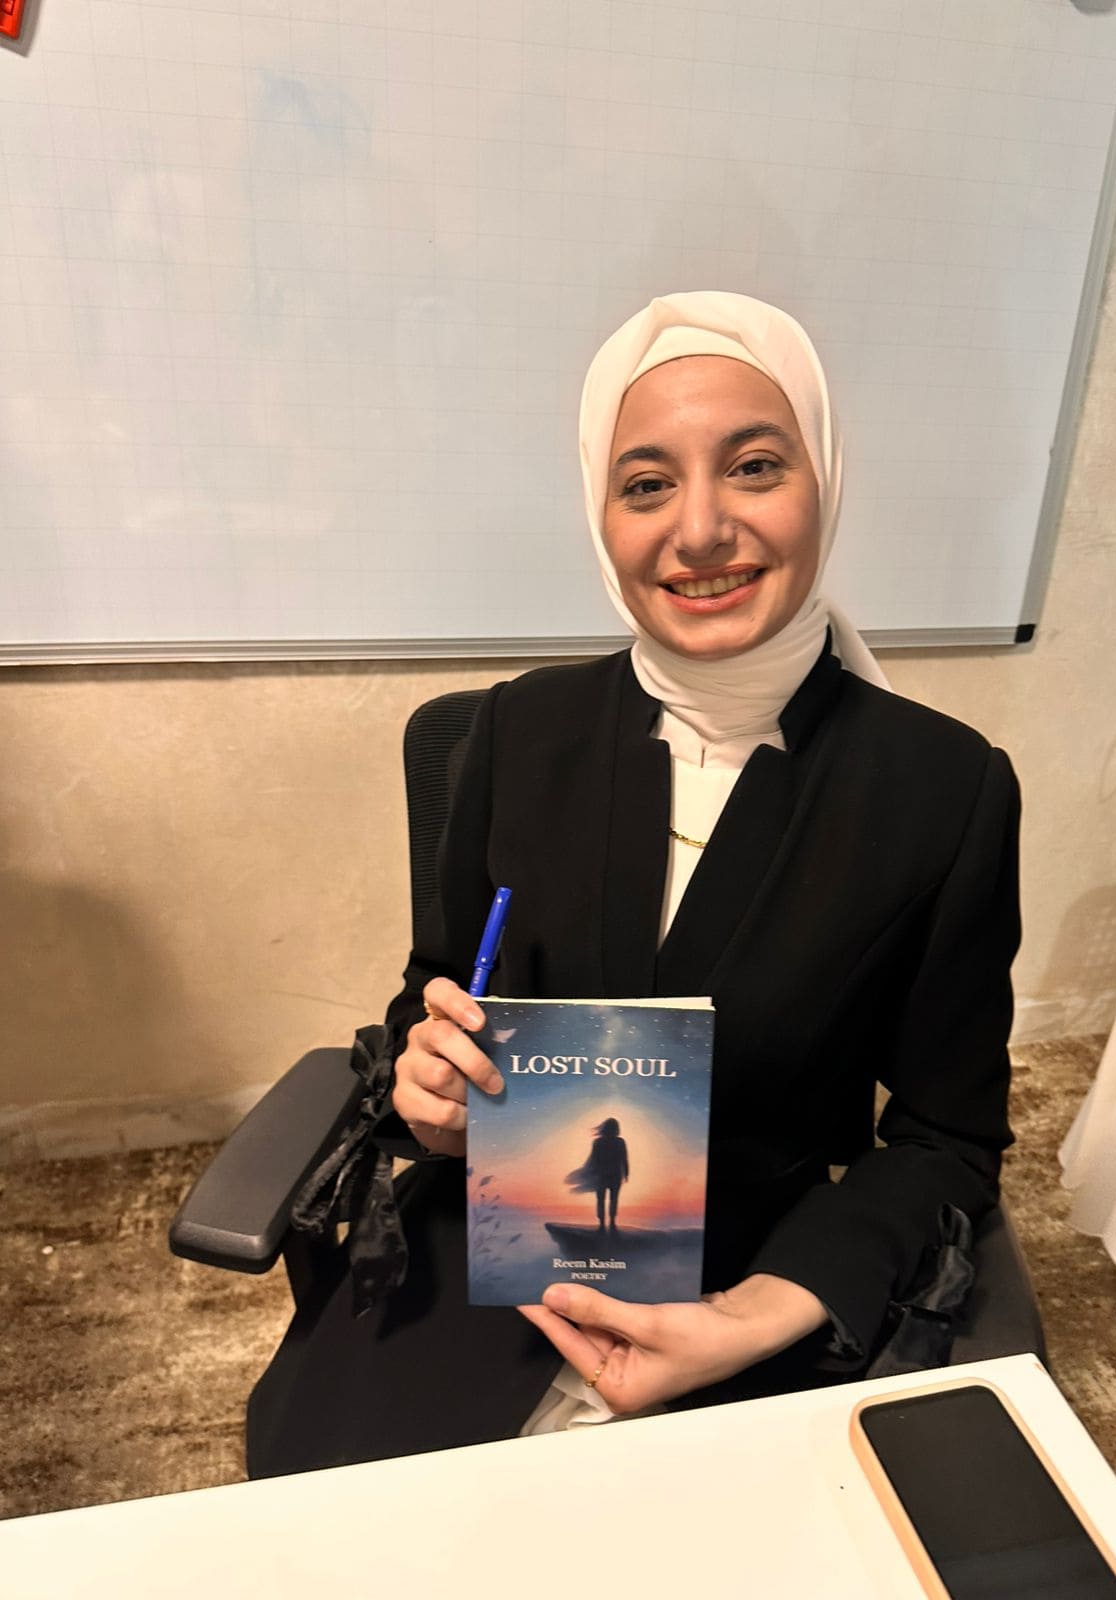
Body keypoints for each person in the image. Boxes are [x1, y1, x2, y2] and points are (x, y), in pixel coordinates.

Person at [246, 291, 1021, 1475]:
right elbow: (437, 985)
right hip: (498, 1255)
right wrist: (427, 1078)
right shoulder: (518, 733)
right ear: (599, 513)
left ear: (824, 477)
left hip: (756, 1285)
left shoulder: (943, 789)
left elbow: (946, 1139)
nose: (700, 529)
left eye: (753, 466)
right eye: (647, 483)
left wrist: (756, 1312)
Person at [567, 1117, 631, 1231]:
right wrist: (626, 1173)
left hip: (604, 1175)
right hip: (612, 1175)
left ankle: (604, 1224)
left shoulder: (600, 1142)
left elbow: (594, 1159)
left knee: (602, 1200)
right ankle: (610, 1223)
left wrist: (589, 1172)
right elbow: (623, 1159)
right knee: (612, 1199)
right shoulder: (618, 1142)